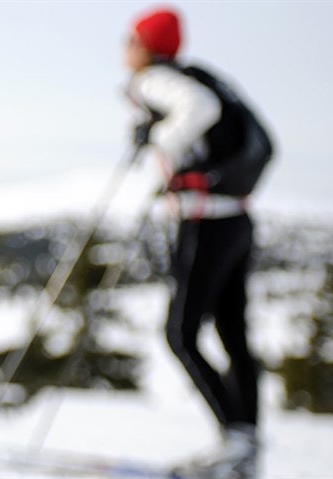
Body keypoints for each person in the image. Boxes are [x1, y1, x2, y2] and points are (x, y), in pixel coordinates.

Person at [123, 7, 271, 479]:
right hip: (237, 218)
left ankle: (235, 440)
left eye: (130, 39)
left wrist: (159, 138)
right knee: (233, 337)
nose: (124, 48)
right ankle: (243, 449)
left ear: (146, 46)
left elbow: (198, 111)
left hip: (205, 221)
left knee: (180, 333)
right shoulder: (201, 75)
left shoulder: (154, 79)